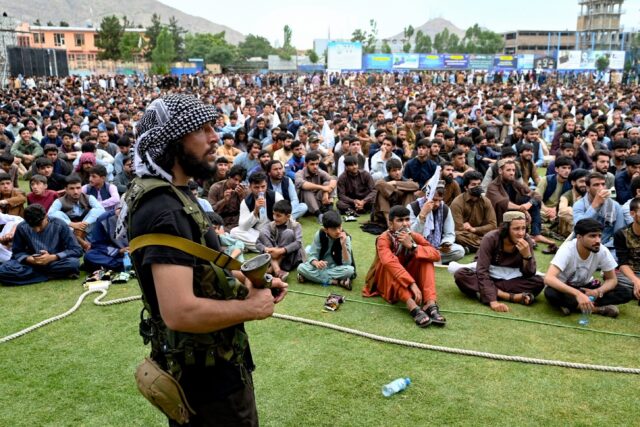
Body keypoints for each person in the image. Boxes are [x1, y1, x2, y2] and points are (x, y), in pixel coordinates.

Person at [125, 94, 286, 426]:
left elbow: (202, 267)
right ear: (171, 141)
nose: (216, 137)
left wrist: (250, 281)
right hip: (206, 382)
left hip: (213, 364)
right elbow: (179, 310)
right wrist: (251, 308)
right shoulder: (163, 210)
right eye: (203, 128)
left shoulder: (176, 194)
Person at [363, 205, 446, 327]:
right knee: (389, 264)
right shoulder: (383, 239)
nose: (405, 224)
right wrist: (411, 284)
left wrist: (413, 246)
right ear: (390, 224)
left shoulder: (412, 235)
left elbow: (436, 255)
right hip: (387, 280)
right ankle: (412, 306)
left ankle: (430, 303)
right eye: (400, 220)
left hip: (407, 277)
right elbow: (389, 263)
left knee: (426, 258)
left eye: (407, 219)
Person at [453, 211, 544, 312]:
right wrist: (493, 301)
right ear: (506, 229)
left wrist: (527, 256)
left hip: (511, 280)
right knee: (461, 275)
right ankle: (509, 296)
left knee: (539, 282)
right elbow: (482, 271)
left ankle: (484, 291)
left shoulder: (527, 240)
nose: (521, 233)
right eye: (516, 229)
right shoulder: (490, 238)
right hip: (488, 276)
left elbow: (529, 273)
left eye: (523, 228)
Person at [544, 219, 631, 317]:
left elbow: (612, 279)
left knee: (625, 292)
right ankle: (597, 309)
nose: (598, 240)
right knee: (551, 293)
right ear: (579, 237)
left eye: (599, 236)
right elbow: (549, 278)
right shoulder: (567, 250)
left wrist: (597, 292)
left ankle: (573, 305)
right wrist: (578, 294)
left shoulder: (602, 251)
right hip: (566, 289)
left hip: (587, 288)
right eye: (592, 236)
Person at [0, 204, 83, 286]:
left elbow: (77, 250)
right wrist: (30, 259)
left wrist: (53, 257)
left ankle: (34, 276)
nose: (37, 229)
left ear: (46, 216)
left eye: (39, 224)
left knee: (73, 263)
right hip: (31, 263)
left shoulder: (60, 225)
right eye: (32, 226)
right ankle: (53, 275)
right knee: (3, 270)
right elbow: (17, 252)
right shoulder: (22, 226)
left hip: (54, 262)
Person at [486, 159, 557, 252]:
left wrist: (528, 204)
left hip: (516, 214)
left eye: (513, 170)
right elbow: (504, 203)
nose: (512, 173)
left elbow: (536, 195)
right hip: (501, 218)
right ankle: (522, 237)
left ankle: (536, 234)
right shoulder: (492, 186)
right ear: (500, 171)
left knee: (534, 201)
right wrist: (522, 209)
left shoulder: (514, 183)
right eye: (508, 170)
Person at [408, 182, 465, 265]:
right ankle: (431, 258)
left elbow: (449, 233)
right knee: (411, 251)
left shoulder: (444, 209)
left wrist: (446, 243)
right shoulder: (413, 207)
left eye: (440, 200)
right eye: (434, 200)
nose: (437, 204)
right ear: (426, 197)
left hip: (437, 248)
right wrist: (422, 215)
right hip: (418, 247)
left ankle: (429, 258)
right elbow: (412, 235)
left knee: (459, 251)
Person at [297, 210, 355, 289]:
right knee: (301, 268)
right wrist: (317, 263)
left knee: (350, 270)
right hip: (321, 267)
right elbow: (312, 255)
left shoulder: (345, 237)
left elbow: (347, 264)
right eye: (334, 229)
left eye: (339, 227)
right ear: (326, 230)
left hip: (336, 267)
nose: (338, 231)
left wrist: (343, 245)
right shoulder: (320, 234)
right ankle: (337, 282)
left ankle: (309, 277)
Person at [48, 175, 105, 251]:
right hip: (69, 229)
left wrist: (84, 224)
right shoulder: (59, 201)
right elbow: (49, 215)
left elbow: (101, 210)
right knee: (57, 214)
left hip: (87, 229)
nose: (76, 191)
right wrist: (71, 224)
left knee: (97, 211)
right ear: (66, 189)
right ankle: (80, 241)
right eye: (72, 188)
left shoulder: (89, 197)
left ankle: (78, 240)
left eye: (78, 188)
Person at [573, 172, 626, 253]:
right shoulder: (579, 205)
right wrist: (594, 205)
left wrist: (604, 248)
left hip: (607, 247)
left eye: (603, 184)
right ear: (587, 188)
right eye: (596, 185)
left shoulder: (615, 206)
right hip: (584, 246)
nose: (601, 188)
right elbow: (579, 226)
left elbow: (619, 234)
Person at [230, 171, 283, 252]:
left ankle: (260, 247)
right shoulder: (246, 202)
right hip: (257, 234)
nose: (260, 190)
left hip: (275, 232)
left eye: (263, 187)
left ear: (267, 185)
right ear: (250, 187)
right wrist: (255, 211)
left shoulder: (276, 197)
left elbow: (286, 218)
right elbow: (243, 227)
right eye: (256, 187)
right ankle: (268, 248)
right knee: (234, 232)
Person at [256, 200, 305, 280]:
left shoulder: (295, 225)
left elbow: (298, 243)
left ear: (288, 216)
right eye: (273, 214)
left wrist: (280, 251)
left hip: (288, 261)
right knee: (262, 232)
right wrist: (267, 249)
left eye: (278, 216)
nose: (275, 218)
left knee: (288, 233)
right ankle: (277, 269)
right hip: (271, 256)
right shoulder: (271, 225)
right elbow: (257, 243)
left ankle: (272, 269)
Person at [450, 171, 497, 251]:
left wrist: (474, 229)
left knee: (497, 233)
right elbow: (458, 229)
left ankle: (473, 247)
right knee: (456, 235)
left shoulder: (486, 201)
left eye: (479, 184)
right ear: (466, 187)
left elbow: (493, 225)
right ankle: (487, 244)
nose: (477, 187)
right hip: (465, 235)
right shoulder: (457, 203)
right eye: (473, 185)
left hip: (478, 234)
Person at [370, 158, 419, 227]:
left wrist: (395, 183)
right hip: (388, 208)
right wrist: (395, 190)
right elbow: (378, 184)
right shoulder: (385, 180)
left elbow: (416, 186)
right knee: (380, 192)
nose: (397, 173)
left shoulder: (405, 180)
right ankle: (389, 223)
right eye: (394, 170)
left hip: (402, 207)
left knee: (409, 193)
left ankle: (407, 220)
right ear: (388, 172)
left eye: (399, 169)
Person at [295, 151, 336, 223]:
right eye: (312, 164)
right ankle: (319, 215)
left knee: (327, 183)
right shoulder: (299, 173)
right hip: (305, 204)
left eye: (317, 164)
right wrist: (322, 188)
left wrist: (326, 192)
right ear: (306, 164)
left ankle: (330, 210)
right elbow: (303, 184)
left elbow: (333, 179)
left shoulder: (319, 171)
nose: (315, 166)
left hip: (318, 200)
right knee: (306, 190)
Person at [84, 208, 129, 273]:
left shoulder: (140, 216)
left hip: (135, 253)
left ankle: (114, 266)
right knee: (89, 255)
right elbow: (97, 244)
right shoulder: (104, 218)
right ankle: (123, 264)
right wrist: (118, 251)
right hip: (112, 254)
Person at [614, 197, 640, 301]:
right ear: (633, 214)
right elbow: (623, 264)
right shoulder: (622, 234)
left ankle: (633, 291)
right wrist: (636, 281)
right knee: (612, 278)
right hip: (630, 273)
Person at [207, 165, 247, 231]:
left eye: (240, 181)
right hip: (219, 222)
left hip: (237, 224)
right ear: (229, 176)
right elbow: (211, 212)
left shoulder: (244, 189)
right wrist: (224, 200)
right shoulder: (216, 188)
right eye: (235, 179)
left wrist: (241, 196)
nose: (237, 183)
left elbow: (247, 212)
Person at [557, 168, 589, 237]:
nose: (584, 184)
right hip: (567, 229)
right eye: (581, 181)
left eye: (586, 182)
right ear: (573, 182)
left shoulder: (587, 195)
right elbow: (562, 211)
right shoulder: (566, 196)